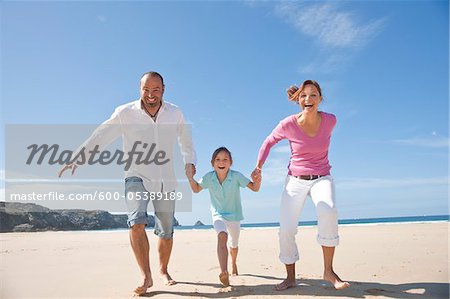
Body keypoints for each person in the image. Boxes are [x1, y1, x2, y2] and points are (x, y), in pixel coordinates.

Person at [59, 71, 196, 296]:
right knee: (136, 222)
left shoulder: (175, 113)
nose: (151, 95)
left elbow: (186, 141)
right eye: (146, 89)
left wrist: (190, 163)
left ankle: (163, 270)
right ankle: (146, 275)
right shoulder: (125, 112)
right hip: (136, 174)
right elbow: (101, 134)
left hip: (166, 178)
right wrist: (78, 156)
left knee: (166, 230)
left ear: (164, 89)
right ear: (139, 89)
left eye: (156, 89)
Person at [252, 80, 349, 291]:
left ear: (320, 99)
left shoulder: (330, 120)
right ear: (298, 100)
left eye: (313, 95)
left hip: (322, 177)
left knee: (328, 210)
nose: (308, 99)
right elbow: (269, 141)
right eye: (304, 96)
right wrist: (259, 167)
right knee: (286, 228)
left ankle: (329, 271)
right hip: (295, 180)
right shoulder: (288, 124)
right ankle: (290, 277)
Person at [186, 147, 261, 287]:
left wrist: (258, 179)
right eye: (218, 159)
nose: (221, 162)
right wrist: (191, 178)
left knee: (234, 244)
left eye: (225, 159)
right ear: (212, 163)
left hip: (235, 216)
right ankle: (224, 272)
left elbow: (255, 188)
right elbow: (196, 189)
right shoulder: (209, 177)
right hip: (218, 215)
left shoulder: (237, 176)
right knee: (222, 236)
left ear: (230, 162)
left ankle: (233, 263)